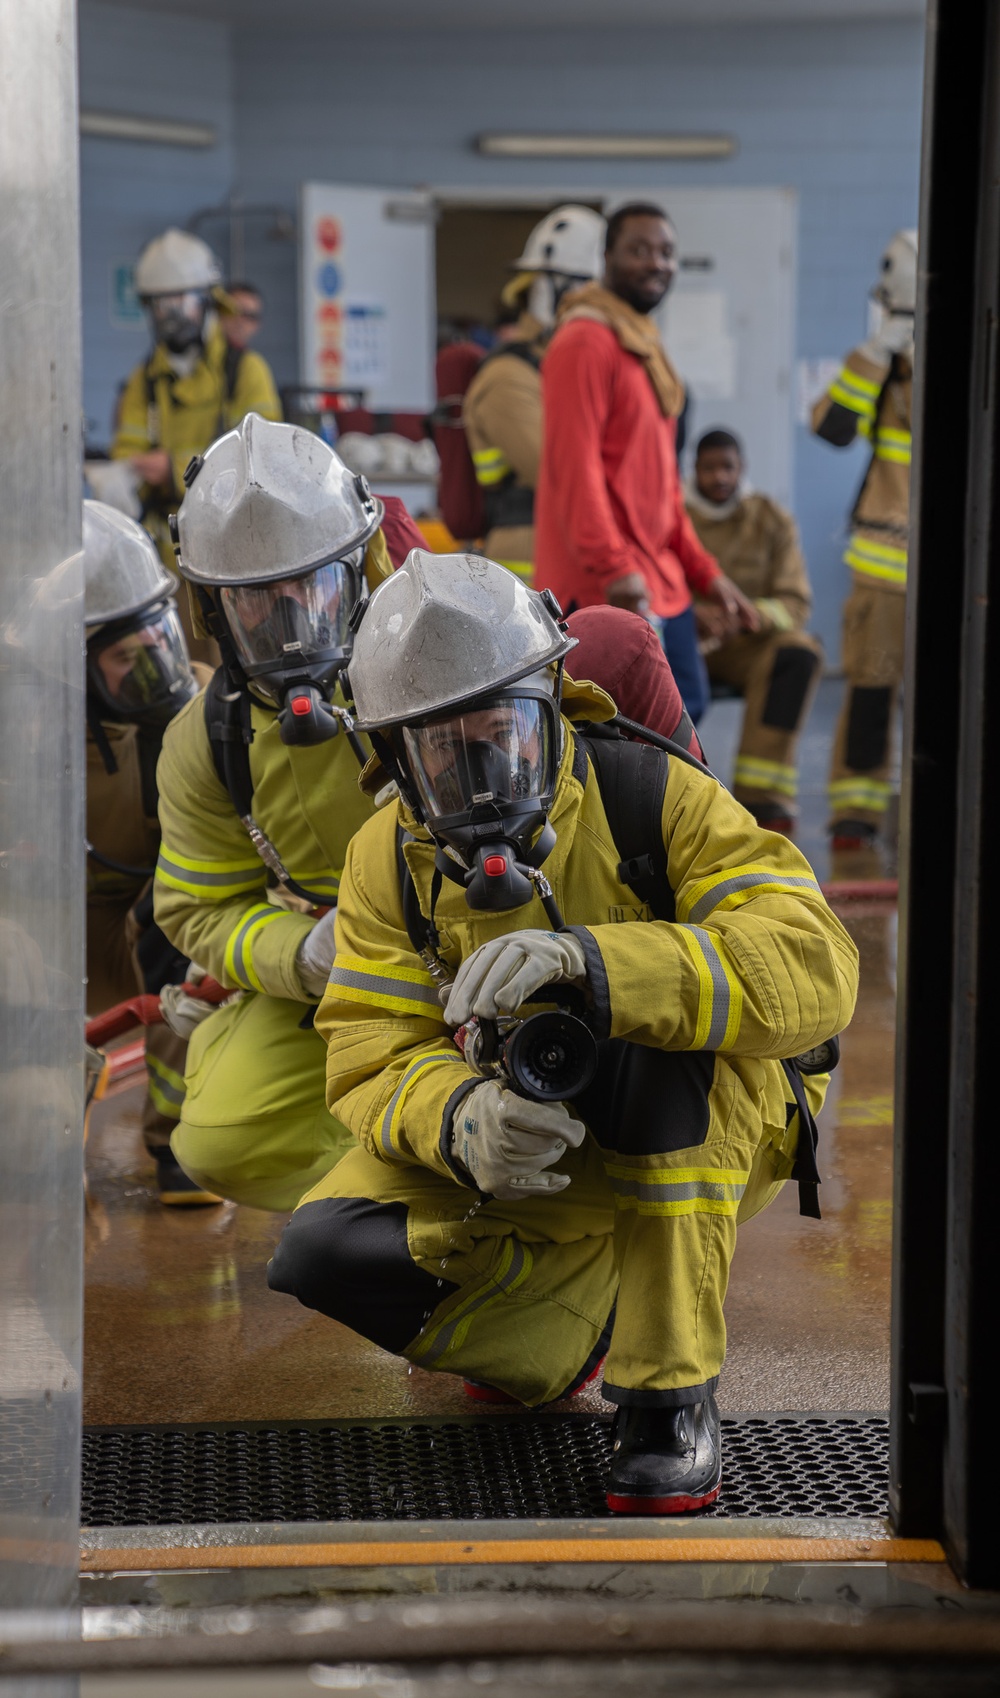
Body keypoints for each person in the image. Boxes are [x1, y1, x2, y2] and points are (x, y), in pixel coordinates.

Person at [267, 551, 858, 1514]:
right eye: (443, 751)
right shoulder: (387, 858)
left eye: (501, 730)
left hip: (702, 1124)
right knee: (326, 1252)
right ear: (394, 765)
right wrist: (460, 1118)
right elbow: (368, 1045)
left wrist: (602, 967)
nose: (484, 773)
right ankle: (566, 1333)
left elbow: (819, 966)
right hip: (527, 1145)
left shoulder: (651, 796)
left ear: (551, 703)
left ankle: (668, 1394)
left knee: (660, 1063)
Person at [152, 414, 396, 1210]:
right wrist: (304, 954)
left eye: (312, 588)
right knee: (222, 1139)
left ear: (359, 572)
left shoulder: (448, 664)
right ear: (213, 613)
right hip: (339, 968)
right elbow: (199, 907)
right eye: (259, 603)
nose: (293, 623)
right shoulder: (207, 740)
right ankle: (399, 1205)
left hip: (494, 944)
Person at [534, 202, 757, 723]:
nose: (656, 262)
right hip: (607, 587)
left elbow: (661, 489)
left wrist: (707, 573)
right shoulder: (585, 341)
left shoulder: (642, 345)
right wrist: (617, 569)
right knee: (623, 734)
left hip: (661, 582)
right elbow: (577, 471)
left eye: (666, 252)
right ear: (606, 257)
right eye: (638, 250)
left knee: (682, 717)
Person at [83, 499, 218, 1204]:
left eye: (158, 641)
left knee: (197, 948)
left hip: (143, 919)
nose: (155, 673)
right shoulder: (28, 742)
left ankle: (179, 1137)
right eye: (124, 659)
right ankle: (37, 1126)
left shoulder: (195, 717)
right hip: (56, 928)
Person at [110, 230, 281, 664]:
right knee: (178, 674)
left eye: (180, 303)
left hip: (237, 557)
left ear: (206, 300)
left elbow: (262, 456)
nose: (171, 318)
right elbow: (125, 453)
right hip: (166, 561)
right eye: (160, 306)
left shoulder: (246, 371)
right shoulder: (143, 380)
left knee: (236, 672)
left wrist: (171, 467)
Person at [811, 229, 917, 848]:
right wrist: (880, 350)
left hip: (951, 570)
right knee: (872, 693)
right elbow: (833, 427)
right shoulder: (874, 365)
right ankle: (856, 813)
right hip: (882, 569)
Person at [685, 430, 822, 834]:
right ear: (694, 471)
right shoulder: (672, 515)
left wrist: (748, 617)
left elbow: (796, 604)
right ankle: (665, 796)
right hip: (684, 644)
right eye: (708, 468)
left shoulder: (771, 520)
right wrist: (692, 614)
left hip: (750, 650)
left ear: (741, 468)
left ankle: (763, 797)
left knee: (799, 653)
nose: (719, 477)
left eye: (727, 467)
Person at [463, 206, 605, 583]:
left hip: (572, 546)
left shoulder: (562, 368)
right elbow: (559, 473)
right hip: (527, 558)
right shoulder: (508, 378)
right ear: (547, 291)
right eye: (597, 296)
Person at [221, 282, 264, 355]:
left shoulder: (250, 364)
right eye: (235, 310)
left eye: (250, 316)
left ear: (257, 325)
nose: (240, 321)